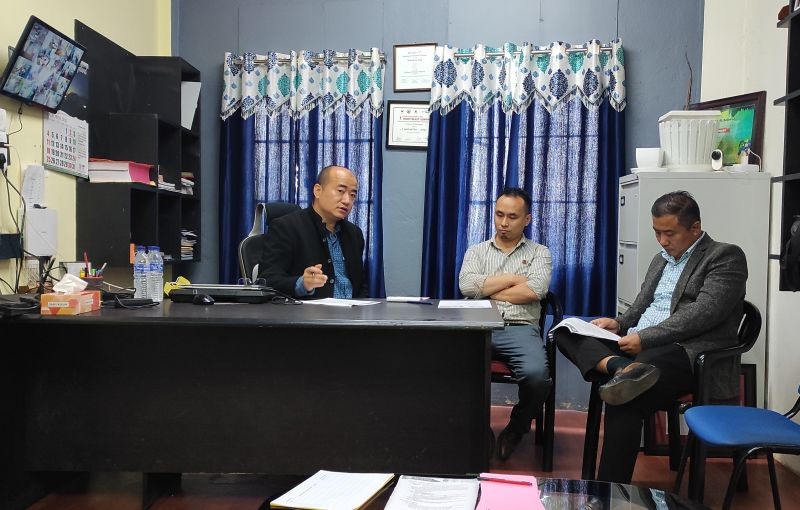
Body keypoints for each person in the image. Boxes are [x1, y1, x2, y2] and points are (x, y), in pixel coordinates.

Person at [555, 191, 748, 483]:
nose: (662, 241)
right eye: (657, 232)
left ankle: (608, 492)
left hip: (685, 353)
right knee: (566, 330)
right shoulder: (660, 260)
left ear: (695, 228)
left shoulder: (725, 256)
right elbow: (640, 307)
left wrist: (646, 338)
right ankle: (622, 369)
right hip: (639, 348)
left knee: (624, 399)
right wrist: (618, 324)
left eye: (669, 233)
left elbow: (703, 314)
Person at [459, 187, 553, 460]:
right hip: (477, 326)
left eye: (512, 216)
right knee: (451, 368)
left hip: (520, 328)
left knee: (537, 378)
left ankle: (517, 426)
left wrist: (486, 289)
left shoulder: (540, 253)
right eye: (499, 214)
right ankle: (478, 427)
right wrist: (514, 279)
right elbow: (466, 285)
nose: (503, 222)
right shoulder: (477, 252)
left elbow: (535, 290)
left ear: (527, 219)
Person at [259, 165, 367, 298]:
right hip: (309, 315)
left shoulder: (354, 234)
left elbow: (361, 285)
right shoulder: (286, 227)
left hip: (353, 315)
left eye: (352, 195)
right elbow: (267, 280)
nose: (347, 200)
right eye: (340, 191)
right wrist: (302, 283)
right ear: (317, 190)